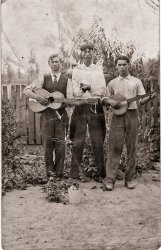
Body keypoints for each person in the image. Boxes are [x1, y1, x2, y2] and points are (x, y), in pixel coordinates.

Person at [102, 55, 156, 190]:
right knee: (115, 147)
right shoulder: (112, 83)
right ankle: (110, 180)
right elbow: (105, 99)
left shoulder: (136, 82)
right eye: (119, 65)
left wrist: (148, 97)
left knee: (132, 148)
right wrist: (111, 103)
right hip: (117, 118)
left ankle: (130, 178)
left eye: (124, 64)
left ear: (128, 65)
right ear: (116, 66)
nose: (121, 67)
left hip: (132, 115)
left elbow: (140, 101)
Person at [23, 54, 69, 179]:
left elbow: (71, 97)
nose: (55, 64)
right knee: (48, 145)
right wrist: (37, 97)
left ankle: (59, 174)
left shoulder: (66, 79)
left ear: (61, 63)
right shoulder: (43, 77)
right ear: (49, 63)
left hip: (61, 115)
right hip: (47, 116)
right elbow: (26, 90)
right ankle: (50, 174)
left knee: (60, 145)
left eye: (57, 62)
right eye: (52, 62)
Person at [69, 43, 106, 181]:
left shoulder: (98, 70)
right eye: (85, 51)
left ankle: (102, 174)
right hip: (81, 106)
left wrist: (90, 87)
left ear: (93, 53)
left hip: (95, 107)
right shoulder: (77, 70)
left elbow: (102, 89)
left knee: (98, 141)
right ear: (81, 54)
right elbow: (75, 90)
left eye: (90, 50)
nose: (88, 53)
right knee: (78, 141)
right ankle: (74, 175)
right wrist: (82, 90)